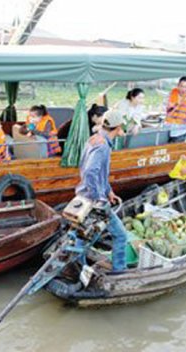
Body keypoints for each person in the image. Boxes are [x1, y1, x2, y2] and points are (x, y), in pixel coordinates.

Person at [75, 109, 129, 272]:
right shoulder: (103, 146)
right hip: (93, 201)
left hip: (83, 195)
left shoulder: (94, 139)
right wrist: (99, 197)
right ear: (118, 127)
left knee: (85, 237)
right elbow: (91, 172)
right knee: (120, 235)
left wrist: (109, 191)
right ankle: (119, 271)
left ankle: (79, 266)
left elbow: (99, 174)